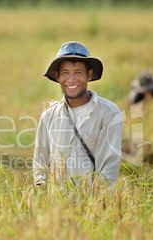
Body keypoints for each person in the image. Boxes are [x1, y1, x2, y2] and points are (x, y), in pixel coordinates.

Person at [33, 41, 123, 187]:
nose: (71, 80)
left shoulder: (108, 113)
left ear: (89, 75)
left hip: (93, 204)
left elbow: (108, 171)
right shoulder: (48, 116)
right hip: (56, 206)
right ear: (57, 76)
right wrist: (43, 199)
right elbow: (40, 165)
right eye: (65, 73)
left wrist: (95, 206)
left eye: (78, 73)